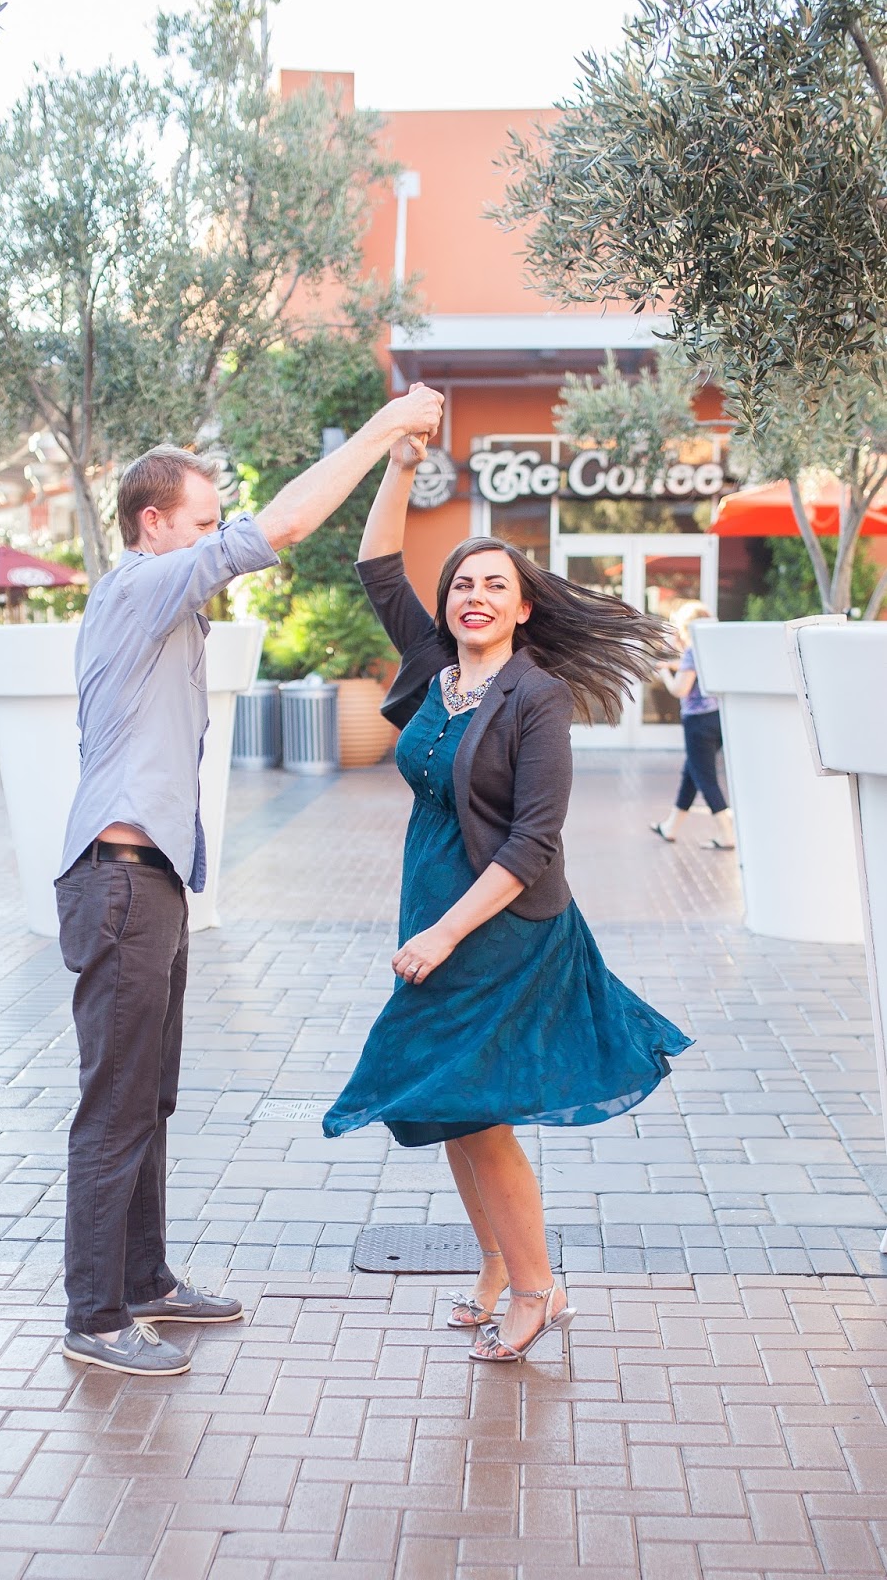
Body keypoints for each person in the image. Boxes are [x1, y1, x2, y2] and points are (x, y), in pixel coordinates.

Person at [55, 384, 446, 1377]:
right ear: (154, 525)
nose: (213, 535)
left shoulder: (164, 614)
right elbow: (285, 523)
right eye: (199, 519)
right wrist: (386, 424)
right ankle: (96, 1316)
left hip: (146, 882)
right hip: (116, 880)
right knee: (114, 1103)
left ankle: (142, 1281)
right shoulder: (139, 585)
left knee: (148, 1098)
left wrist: (402, 465)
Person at [322, 416, 693, 1365]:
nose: (474, 595)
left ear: (524, 609)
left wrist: (444, 934)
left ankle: (537, 1290)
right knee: (451, 1105)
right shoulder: (430, 669)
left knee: (477, 1114)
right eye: (462, 584)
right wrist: (400, 466)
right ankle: (494, 1268)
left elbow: (533, 843)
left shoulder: (535, 698)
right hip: (433, 909)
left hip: (500, 927)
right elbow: (373, 562)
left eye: (496, 584)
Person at [650, 600, 734, 850]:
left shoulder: (691, 652)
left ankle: (726, 833)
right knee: (692, 774)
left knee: (705, 778)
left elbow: (680, 689)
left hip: (698, 723)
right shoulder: (713, 649)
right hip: (717, 718)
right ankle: (671, 826)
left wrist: (664, 673)